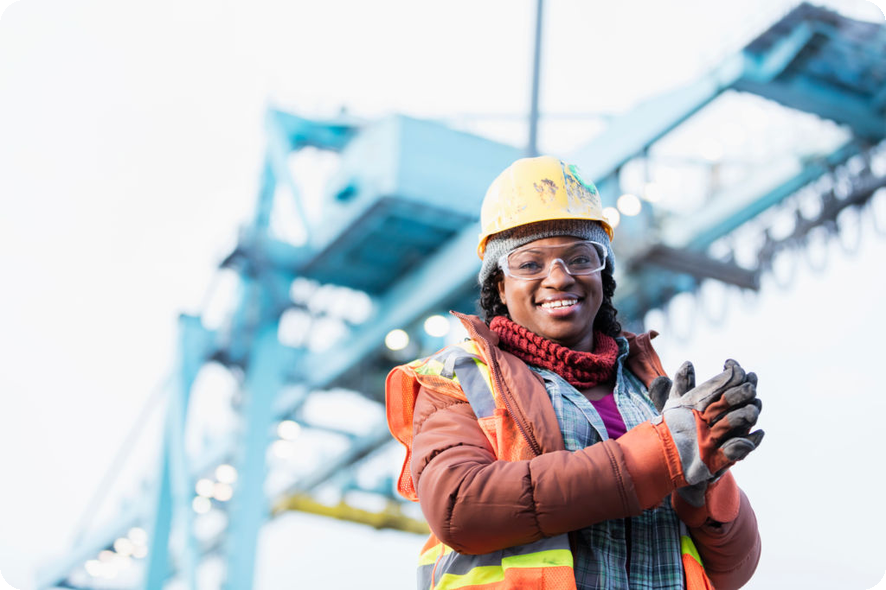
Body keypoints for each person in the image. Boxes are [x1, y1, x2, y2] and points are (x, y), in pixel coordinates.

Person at [386, 156, 764, 590]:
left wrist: (706, 490)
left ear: (603, 273)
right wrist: (660, 455)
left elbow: (732, 570)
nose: (559, 278)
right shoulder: (462, 379)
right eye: (530, 264)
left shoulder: (646, 390)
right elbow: (460, 507)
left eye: (580, 258)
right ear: (500, 287)